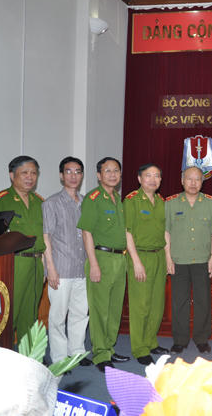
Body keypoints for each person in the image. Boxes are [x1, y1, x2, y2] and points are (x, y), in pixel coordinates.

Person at [77, 157, 130, 372]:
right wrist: (94, 264)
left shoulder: (118, 199)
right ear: (99, 175)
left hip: (120, 259)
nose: (113, 175)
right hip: (101, 258)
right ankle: (100, 354)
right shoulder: (94, 198)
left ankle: (109, 347)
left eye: (116, 170)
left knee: (114, 309)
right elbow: (86, 232)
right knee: (100, 310)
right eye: (107, 171)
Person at [0, 155, 45, 342]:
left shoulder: (39, 202)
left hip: (36, 263)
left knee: (31, 312)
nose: (30, 177)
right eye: (24, 173)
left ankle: (28, 354)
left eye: (33, 173)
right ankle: (4, 352)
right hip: (13, 263)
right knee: (9, 312)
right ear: (12, 175)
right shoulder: (0, 201)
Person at [42, 156, 91, 366]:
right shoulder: (51, 203)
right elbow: (46, 237)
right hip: (61, 269)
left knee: (80, 314)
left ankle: (77, 352)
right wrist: (50, 269)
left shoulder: (86, 202)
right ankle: (60, 358)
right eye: (69, 171)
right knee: (58, 317)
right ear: (61, 175)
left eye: (78, 172)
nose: (73, 176)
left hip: (82, 268)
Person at [165, 166, 212, 354]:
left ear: (202, 181)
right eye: (189, 179)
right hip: (179, 259)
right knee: (179, 302)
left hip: (203, 259)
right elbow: (166, 232)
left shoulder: (211, 203)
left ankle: (202, 339)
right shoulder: (170, 203)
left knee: (203, 301)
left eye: (197, 179)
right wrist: (167, 257)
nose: (193, 183)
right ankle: (180, 339)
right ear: (182, 180)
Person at [123, 163, 170, 366]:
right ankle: (140, 348)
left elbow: (165, 232)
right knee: (140, 305)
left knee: (157, 305)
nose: (153, 179)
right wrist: (136, 261)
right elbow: (127, 232)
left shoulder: (161, 201)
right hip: (140, 256)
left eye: (157, 176)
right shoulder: (132, 200)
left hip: (159, 256)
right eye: (148, 175)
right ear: (139, 179)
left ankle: (151, 342)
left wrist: (168, 258)